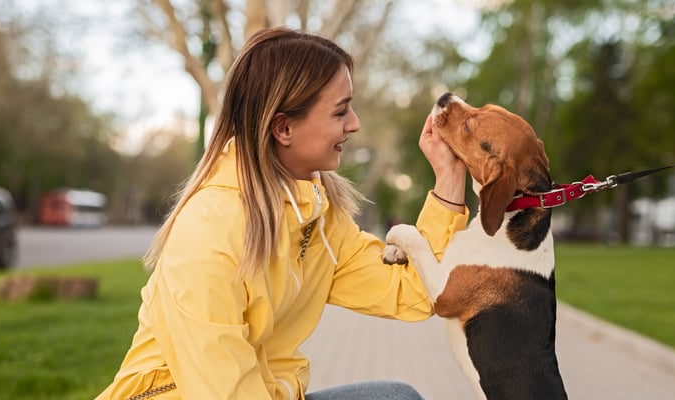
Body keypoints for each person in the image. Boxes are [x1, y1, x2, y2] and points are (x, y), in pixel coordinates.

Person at [95, 26, 467, 400]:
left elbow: (415, 292)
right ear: (283, 128)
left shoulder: (316, 216)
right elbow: (224, 391)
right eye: (340, 111)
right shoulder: (209, 229)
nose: (354, 124)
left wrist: (449, 180)